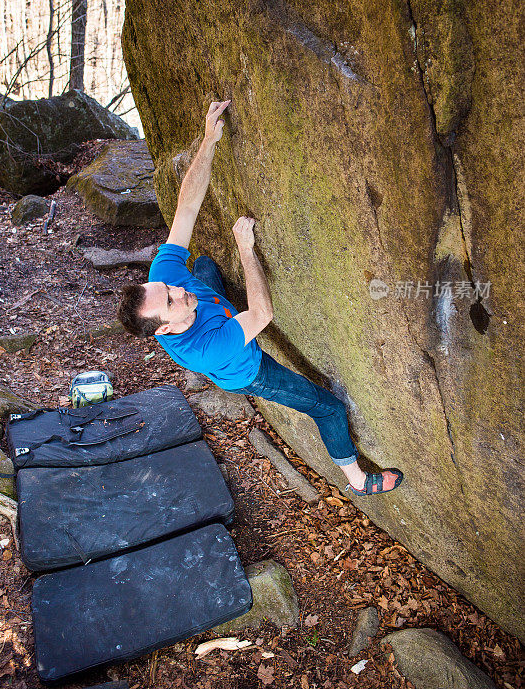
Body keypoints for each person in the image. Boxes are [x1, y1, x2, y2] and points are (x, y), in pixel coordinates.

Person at [117, 100, 403, 496]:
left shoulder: (165, 281)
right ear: (164, 327)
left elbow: (186, 209)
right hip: (248, 368)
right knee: (327, 407)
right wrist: (246, 248)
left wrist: (208, 142)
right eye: (171, 298)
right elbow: (262, 313)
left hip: (217, 315)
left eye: (167, 286)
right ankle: (357, 479)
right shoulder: (207, 350)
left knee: (201, 266)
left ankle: (215, 293)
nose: (176, 288)